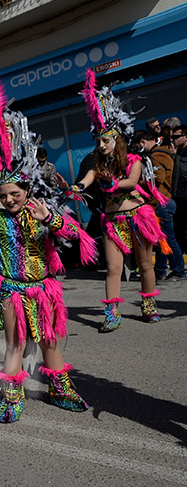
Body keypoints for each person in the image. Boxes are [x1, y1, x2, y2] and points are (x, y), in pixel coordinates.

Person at [0, 79, 96, 423]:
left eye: (14, 193)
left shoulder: (41, 209)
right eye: (4, 194)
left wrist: (50, 217)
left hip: (42, 288)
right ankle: (11, 394)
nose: (9, 199)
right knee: (15, 343)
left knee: (50, 340)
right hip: (10, 288)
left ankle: (59, 387)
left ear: (26, 187)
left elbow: (73, 234)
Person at [71, 70, 169, 330]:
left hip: (137, 216)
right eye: (98, 141)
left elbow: (132, 181)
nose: (101, 145)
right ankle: (112, 312)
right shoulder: (96, 164)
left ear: (116, 139)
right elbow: (88, 178)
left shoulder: (133, 160)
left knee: (145, 263)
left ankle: (149, 304)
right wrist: (74, 187)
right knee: (113, 269)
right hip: (112, 221)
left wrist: (114, 183)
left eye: (105, 140)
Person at [133, 129, 185, 281]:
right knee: (161, 238)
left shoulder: (158, 155)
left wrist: (137, 182)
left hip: (163, 202)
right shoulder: (159, 154)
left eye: (137, 147)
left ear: (143, 142)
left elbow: (157, 179)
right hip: (163, 202)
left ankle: (179, 271)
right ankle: (161, 270)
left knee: (168, 238)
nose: (138, 150)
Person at [171, 124, 187, 254]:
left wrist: (175, 157)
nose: (173, 139)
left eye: (176, 136)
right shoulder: (177, 152)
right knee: (179, 226)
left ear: (185, 137)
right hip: (178, 196)